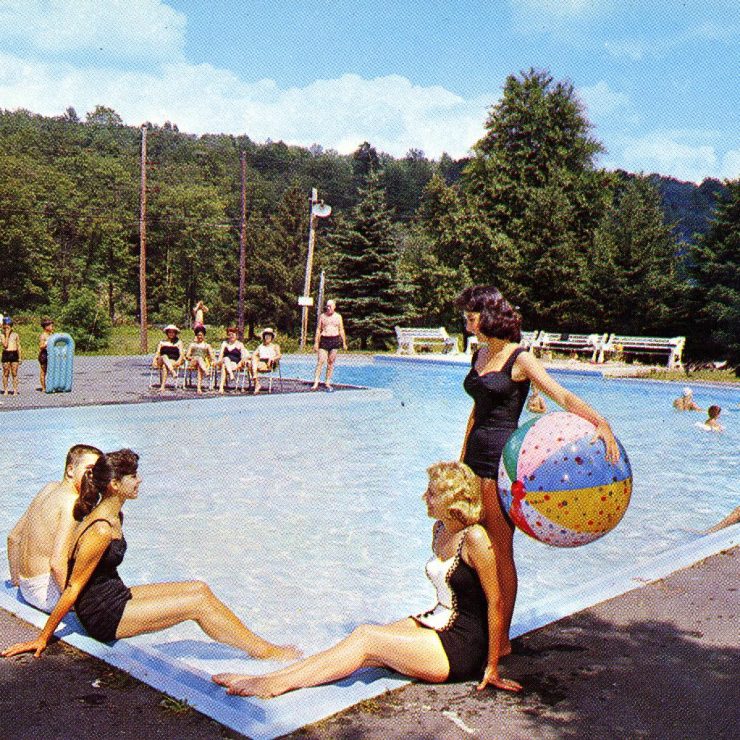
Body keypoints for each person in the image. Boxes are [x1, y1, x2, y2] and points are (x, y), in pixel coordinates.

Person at [212, 461, 522, 698]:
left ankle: (274, 686)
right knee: (357, 645)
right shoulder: (440, 530)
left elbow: (495, 602)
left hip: (463, 647)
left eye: (432, 493)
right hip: (439, 622)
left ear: (451, 499)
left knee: (366, 638)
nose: (424, 498)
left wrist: (492, 666)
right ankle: (273, 677)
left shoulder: (475, 538)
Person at [1, 450, 300, 661]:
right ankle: (264, 652)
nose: (140, 480)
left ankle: (260, 647)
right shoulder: (101, 529)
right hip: (103, 616)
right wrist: (43, 638)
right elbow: (73, 587)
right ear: (115, 485)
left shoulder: (115, 514)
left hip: (115, 595)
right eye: (133, 476)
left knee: (200, 589)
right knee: (196, 605)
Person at [457, 285, 619, 654]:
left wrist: (601, 421)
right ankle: (478, 627)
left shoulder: (521, 358)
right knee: (472, 544)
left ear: (489, 316)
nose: (466, 322)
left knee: (500, 549)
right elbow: (476, 412)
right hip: (474, 460)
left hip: (502, 463)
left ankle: (501, 640)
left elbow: (561, 395)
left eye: (472, 315)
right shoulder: (479, 354)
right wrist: (460, 459)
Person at [7, 445, 102, 613]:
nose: (94, 477)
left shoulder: (49, 488)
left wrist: (16, 581)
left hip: (26, 587)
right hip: (46, 595)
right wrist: (71, 603)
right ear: (70, 470)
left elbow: (13, 537)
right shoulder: (72, 502)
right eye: (89, 470)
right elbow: (57, 563)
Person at [311, 299, 347, 392]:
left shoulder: (338, 317)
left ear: (334, 307)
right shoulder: (323, 316)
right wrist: (316, 342)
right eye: (327, 306)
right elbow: (318, 329)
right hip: (324, 339)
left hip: (334, 340)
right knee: (320, 361)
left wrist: (344, 342)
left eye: (330, 306)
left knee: (331, 362)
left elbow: (341, 329)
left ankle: (327, 381)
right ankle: (316, 381)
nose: (328, 308)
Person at [152, 325, 184, 392]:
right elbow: (157, 353)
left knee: (165, 366)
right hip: (161, 360)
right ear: (167, 333)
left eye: (173, 332)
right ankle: (172, 372)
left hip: (172, 360)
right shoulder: (162, 342)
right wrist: (154, 361)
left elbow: (181, 354)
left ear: (175, 333)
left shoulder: (179, 342)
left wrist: (179, 361)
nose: (171, 334)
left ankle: (162, 387)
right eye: (169, 332)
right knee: (164, 356)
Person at [184, 326, 215, 394]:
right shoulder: (192, 345)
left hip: (202, 364)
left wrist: (212, 361)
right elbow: (187, 355)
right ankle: (206, 371)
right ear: (196, 335)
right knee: (198, 358)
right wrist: (192, 357)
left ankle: (198, 388)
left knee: (200, 366)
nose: (200, 337)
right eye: (198, 335)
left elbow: (212, 357)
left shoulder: (207, 346)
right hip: (193, 362)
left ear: (204, 336)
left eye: (201, 335)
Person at [216, 327, 247, 393]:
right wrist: (218, 362)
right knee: (226, 359)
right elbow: (221, 355)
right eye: (230, 334)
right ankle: (231, 374)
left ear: (236, 335)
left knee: (224, 366)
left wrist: (240, 363)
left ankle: (221, 388)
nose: (231, 336)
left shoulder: (240, 345)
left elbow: (243, 357)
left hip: (234, 364)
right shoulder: (225, 343)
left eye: (233, 334)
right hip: (223, 361)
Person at [251, 328, 281, 395]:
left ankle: (255, 379)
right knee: (252, 361)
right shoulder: (261, 346)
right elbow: (254, 354)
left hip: (269, 363)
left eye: (269, 336)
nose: (267, 337)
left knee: (253, 365)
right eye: (266, 335)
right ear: (264, 337)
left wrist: (272, 358)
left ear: (272, 337)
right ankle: (257, 384)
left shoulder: (275, 346)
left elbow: (279, 355)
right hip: (259, 362)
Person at [2, 316, 22, 396]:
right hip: (6, 353)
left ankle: (15, 390)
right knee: (6, 373)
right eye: (6, 326)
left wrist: (20, 357)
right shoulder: (2, 335)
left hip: (14, 354)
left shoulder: (15, 335)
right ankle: (6, 390)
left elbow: (18, 346)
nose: (8, 328)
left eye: (9, 326)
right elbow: (5, 345)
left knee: (14, 373)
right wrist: (7, 335)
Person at [38, 318, 54, 391]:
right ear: (46, 327)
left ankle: (51, 385)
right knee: (43, 371)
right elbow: (41, 346)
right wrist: (47, 343)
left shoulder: (51, 335)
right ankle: (43, 387)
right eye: (51, 326)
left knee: (51, 370)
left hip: (51, 353)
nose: (52, 327)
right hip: (44, 354)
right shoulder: (43, 335)